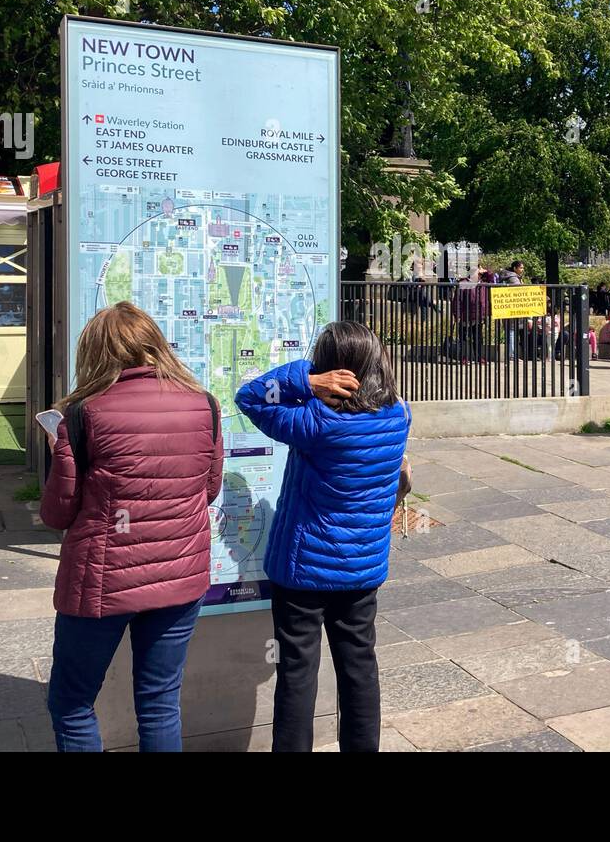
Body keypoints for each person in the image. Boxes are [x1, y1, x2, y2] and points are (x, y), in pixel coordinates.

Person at [42, 301, 224, 753]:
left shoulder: (83, 415)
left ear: (97, 353)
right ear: (155, 345)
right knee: (161, 702)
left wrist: (57, 454)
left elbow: (57, 513)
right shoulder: (204, 405)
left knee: (72, 701)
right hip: (180, 579)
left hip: (103, 583)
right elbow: (210, 490)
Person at [235, 321, 411, 753]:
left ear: (330, 367)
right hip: (363, 569)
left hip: (303, 573)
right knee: (359, 667)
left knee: (297, 671)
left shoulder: (316, 420)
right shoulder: (398, 415)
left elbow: (251, 396)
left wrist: (306, 381)